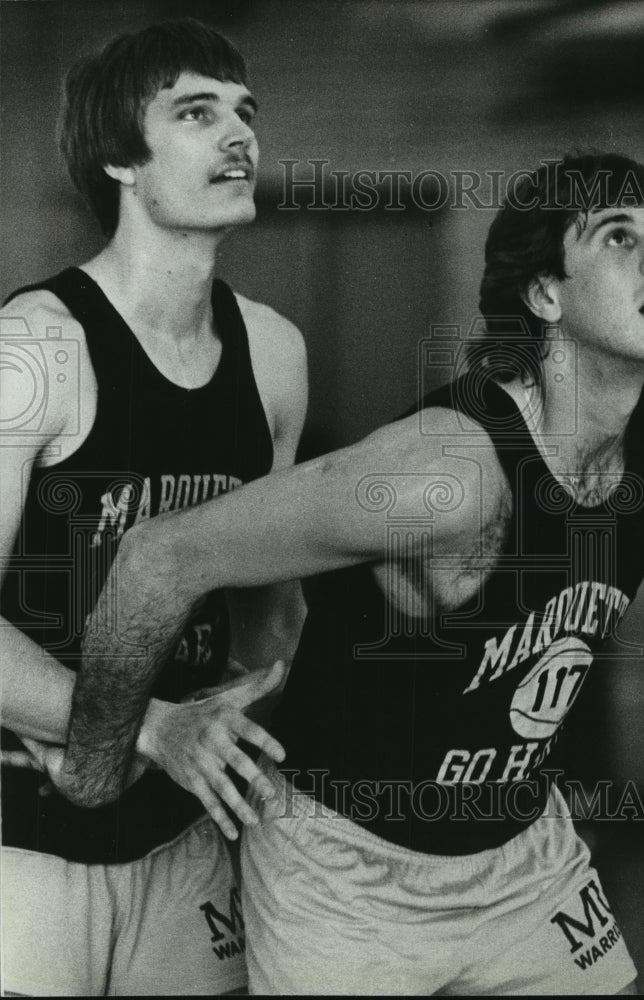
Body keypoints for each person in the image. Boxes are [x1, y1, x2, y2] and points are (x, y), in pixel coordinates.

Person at [50, 153, 644, 994]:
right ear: (545, 296)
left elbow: (536, 621)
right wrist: (96, 769)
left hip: (520, 855)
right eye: (618, 237)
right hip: (345, 871)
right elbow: (160, 556)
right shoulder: (439, 475)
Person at [0, 18, 307, 997]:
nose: (240, 135)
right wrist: (149, 726)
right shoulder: (35, 347)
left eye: (245, 112)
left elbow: (272, 603)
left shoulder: (276, 352)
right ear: (124, 159)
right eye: (197, 111)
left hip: (184, 836)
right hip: (26, 838)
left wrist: (245, 704)